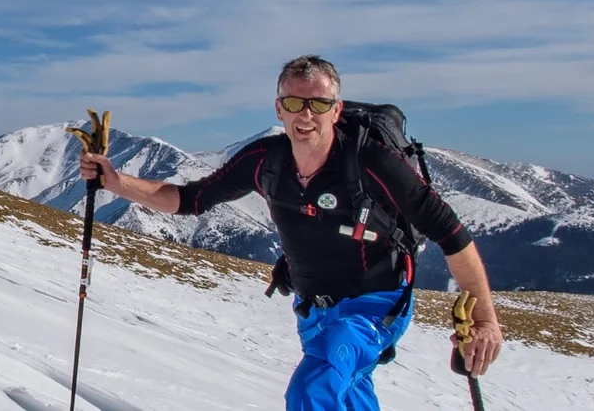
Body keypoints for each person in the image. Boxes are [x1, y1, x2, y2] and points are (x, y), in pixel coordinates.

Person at [79, 54, 504, 411]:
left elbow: (450, 233)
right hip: (313, 307)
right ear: (278, 108)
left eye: (319, 105)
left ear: (336, 110)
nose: (306, 115)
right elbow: (190, 199)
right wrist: (116, 183)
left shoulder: (371, 162)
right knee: (346, 391)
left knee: (313, 389)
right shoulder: (265, 160)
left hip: (375, 304)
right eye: (295, 103)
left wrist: (484, 319)